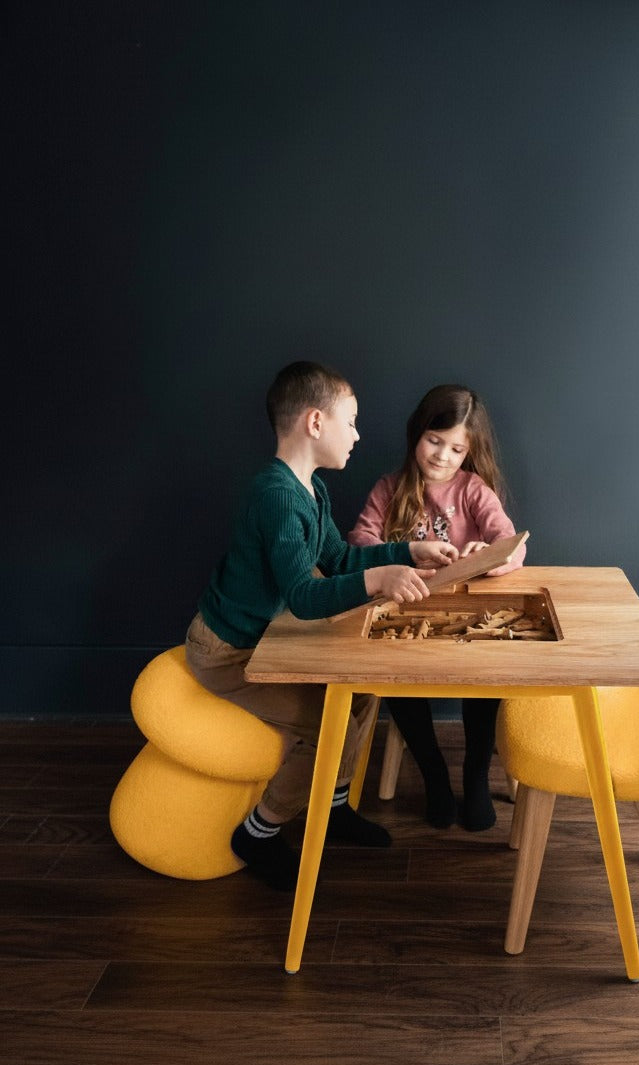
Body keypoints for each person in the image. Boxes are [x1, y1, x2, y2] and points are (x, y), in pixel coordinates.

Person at [185, 361, 459, 890]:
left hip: (262, 641)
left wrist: (408, 550)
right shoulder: (277, 496)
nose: (357, 434)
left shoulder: (310, 488)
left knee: (360, 695)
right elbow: (306, 598)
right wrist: (381, 578)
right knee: (322, 725)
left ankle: (330, 808)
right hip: (226, 651)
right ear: (316, 423)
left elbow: (334, 558)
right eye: (351, 421)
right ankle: (258, 833)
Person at [348, 384, 525, 831]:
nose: (443, 456)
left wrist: (485, 555)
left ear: (468, 452)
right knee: (396, 681)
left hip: (466, 622)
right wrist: (406, 552)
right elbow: (359, 543)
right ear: (417, 433)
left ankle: (475, 775)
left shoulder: (473, 489)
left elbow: (512, 546)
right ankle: (434, 777)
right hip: (408, 616)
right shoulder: (389, 488)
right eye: (435, 440)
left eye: (456, 448)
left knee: (487, 681)